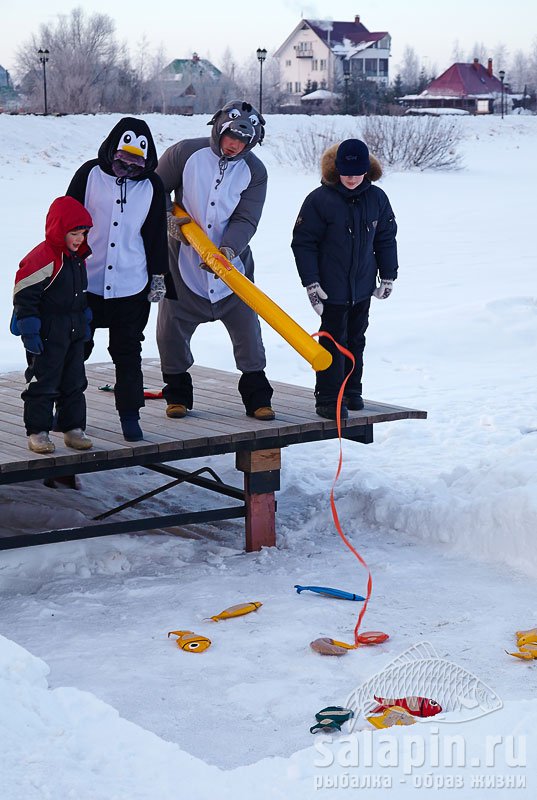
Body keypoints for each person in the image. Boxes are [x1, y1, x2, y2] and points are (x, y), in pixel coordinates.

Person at [155, 99, 275, 421]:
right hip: (184, 265)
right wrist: (169, 221)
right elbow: (154, 191)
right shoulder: (184, 153)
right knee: (171, 333)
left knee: (248, 334)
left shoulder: (256, 172)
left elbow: (246, 219)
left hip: (231, 267)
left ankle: (257, 396)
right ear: (219, 129)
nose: (235, 145)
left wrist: (228, 251)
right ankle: (177, 394)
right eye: (231, 137)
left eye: (243, 141)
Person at [66, 117, 168, 442]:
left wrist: (158, 278)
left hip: (130, 285)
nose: (129, 164)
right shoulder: (89, 174)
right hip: (87, 282)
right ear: (112, 148)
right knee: (76, 348)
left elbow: (154, 236)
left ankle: (130, 416)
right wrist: (63, 268)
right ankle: (70, 416)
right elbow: (65, 222)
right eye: (124, 157)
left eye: (137, 158)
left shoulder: (152, 186)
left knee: (127, 354)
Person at [291, 139, 398, 420]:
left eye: (357, 172)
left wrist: (388, 275)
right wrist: (311, 283)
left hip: (362, 287)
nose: (351, 178)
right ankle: (328, 397)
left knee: (356, 339)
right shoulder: (319, 200)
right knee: (331, 341)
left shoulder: (377, 199)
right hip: (331, 289)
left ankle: (352, 390)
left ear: (367, 171)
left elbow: (385, 239)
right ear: (336, 169)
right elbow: (303, 243)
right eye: (345, 171)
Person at [12, 196, 94, 454]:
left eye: (83, 233)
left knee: (74, 382)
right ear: (59, 229)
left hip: (74, 330)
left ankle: (73, 429)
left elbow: (79, 294)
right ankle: (38, 431)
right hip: (48, 333)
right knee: (43, 382)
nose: (79, 239)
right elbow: (24, 295)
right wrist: (29, 329)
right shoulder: (44, 257)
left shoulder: (77, 257)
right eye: (74, 233)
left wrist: (86, 320)